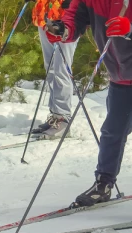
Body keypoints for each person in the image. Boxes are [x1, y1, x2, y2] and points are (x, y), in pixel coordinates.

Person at [45, 0, 132, 206]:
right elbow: (74, 19)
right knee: (113, 132)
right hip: (122, 77)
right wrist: (62, 30)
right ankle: (103, 184)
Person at [31, 0, 80, 139]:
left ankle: (63, 119)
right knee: (51, 68)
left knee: (61, 69)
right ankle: (55, 116)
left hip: (67, 18)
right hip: (44, 16)